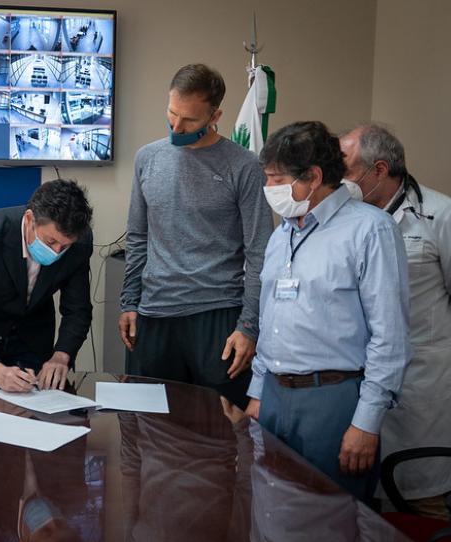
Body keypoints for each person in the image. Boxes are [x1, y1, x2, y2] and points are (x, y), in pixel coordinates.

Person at [245, 121, 411, 502]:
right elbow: (270, 317)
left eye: (276, 179)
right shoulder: (282, 232)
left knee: (331, 518)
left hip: (333, 400)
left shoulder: (371, 231)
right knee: (271, 508)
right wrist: (257, 393)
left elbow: (391, 338)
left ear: (314, 177)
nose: (269, 189)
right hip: (274, 394)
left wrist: (366, 423)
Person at [119, 63, 273, 407]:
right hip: (155, 313)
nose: (176, 127)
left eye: (188, 120)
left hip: (216, 315)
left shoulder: (244, 166)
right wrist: (129, 301)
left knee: (217, 435)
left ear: (215, 115)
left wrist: (249, 326)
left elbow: (260, 251)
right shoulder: (147, 158)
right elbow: (137, 237)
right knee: (149, 428)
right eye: (171, 114)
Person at [341, 124, 451, 518]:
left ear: (379, 169)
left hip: (421, 384)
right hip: (358, 380)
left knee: (418, 503)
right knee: (360, 506)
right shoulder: (347, 220)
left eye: (347, 168)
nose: (340, 179)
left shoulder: (440, 215)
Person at [0, 179, 93, 392]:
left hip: (33, 340)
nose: (57, 251)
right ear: (30, 219)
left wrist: (61, 356)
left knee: (36, 415)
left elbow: (78, 310)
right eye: (51, 242)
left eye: (64, 246)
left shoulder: (80, 243)